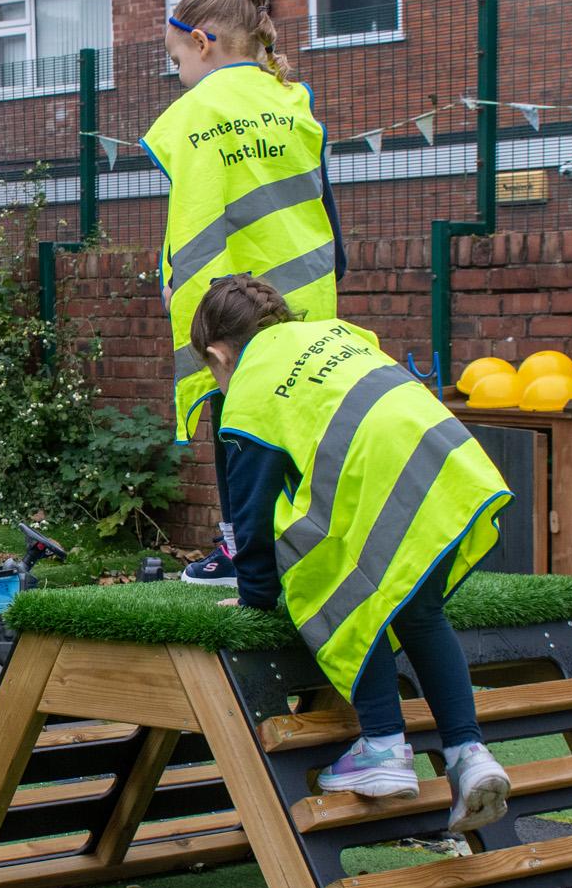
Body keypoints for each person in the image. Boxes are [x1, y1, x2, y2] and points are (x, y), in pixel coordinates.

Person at [193, 274, 514, 833]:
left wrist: (256, 598)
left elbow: (251, 513)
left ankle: (385, 749)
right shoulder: (335, 333)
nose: (218, 383)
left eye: (212, 371)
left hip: (380, 478)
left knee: (331, 579)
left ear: (219, 354)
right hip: (446, 469)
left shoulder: (249, 389)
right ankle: (469, 756)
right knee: (421, 613)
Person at [140, 0, 347, 587]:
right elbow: (323, 200)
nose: (179, 76)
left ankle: (239, 550)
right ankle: (297, 546)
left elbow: (198, 208)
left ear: (202, 44)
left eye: (178, 60)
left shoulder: (197, 110)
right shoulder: (293, 99)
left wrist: (181, 281)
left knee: (237, 425)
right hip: (308, 293)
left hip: (234, 299)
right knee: (297, 425)